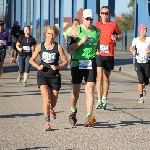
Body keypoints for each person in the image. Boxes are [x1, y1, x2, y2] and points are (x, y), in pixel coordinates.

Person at [29, 25, 67, 131]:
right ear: (45, 34)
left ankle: (51, 109)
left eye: (53, 34)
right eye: (49, 33)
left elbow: (65, 62)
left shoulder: (58, 47)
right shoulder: (40, 46)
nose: (51, 36)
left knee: (53, 102)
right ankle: (47, 122)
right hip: (43, 75)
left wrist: (58, 66)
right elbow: (31, 60)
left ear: (56, 35)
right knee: (47, 99)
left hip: (54, 76)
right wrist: (37, 66)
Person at [66, 9, 100, 127]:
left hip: (91, 62)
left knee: (89, 90)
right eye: (87, 19)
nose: (89, 21)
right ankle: (73, 112)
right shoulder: (76, 30)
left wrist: (98, 51)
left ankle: (89, 116)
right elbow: (69, 49)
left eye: (91, 19)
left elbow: (97, 46)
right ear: (83, 18)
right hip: (77, 62)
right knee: (76, 90)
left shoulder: (97, 31)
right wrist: (80, 42)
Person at [94, 6, 122, 110]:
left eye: (107, 13)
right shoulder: (96, 26)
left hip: (109, 54)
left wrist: (116, 38)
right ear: (100, 14)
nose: (105, 15)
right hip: (99, 54)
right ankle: (99, 100)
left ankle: (105, 99)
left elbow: (119, 36)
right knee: (99, 77)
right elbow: (93, 38)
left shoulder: (113, 25)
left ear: (109, 14)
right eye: (103, 13)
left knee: (106, 78)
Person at [130, 24, 150, 103]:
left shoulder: (149, 39)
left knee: (146, 80)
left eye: (146, 29)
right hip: (138, 62)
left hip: (147, 62)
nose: (145, 31)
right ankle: (141, 97)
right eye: (143, 29)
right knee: (140, 79)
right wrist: (133, 51)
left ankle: (143, 86)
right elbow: (131, 47)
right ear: (140, 30)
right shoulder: (136, 40)